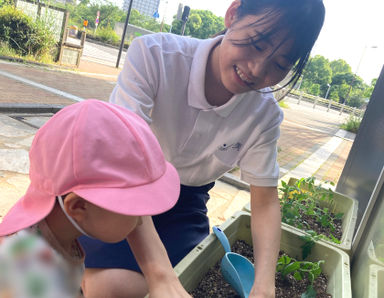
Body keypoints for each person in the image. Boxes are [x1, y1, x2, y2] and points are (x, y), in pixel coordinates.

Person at [79, 0, 326, 297]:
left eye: (280, 64)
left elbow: (265, 201)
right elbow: (124, 164)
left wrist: (264, 286)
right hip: (121, 186)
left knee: (174, 279)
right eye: (257, 43)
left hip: (183, 206)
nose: (256, 70)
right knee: (109, 288)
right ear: (233, 14)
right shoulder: (154, 56)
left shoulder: (264, 114)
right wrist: (160, 277)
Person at [0, 100, 182, 297]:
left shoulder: (55, 234)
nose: (141, 221)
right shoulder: (28, 272)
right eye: (134, 209)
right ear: (78, 207)